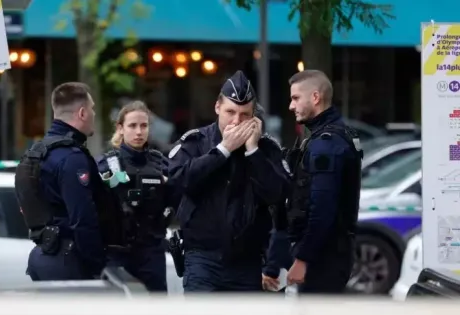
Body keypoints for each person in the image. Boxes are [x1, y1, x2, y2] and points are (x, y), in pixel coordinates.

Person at [168, 70, 290, 292]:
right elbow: (178, 182)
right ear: (217, 108)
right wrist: (223, 150)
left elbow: (277, 194)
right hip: (202, 259)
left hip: (247, 262)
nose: (236, 121)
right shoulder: (196, 142)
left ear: (254, 115)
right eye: (230, 112)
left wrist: (253, 151)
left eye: (245, 114)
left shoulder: (266, 148)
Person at [15, 82, 125, 281]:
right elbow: (83, 218)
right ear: (82, 113)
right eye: (92, 109)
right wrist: (97, 265)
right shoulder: (72, 157)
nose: (94, 113)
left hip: (43, 255)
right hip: (69, 260)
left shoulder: (36, 153)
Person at [284, 69, 363, 294]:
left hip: (324, 258)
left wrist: (303, 259)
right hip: (330, 253)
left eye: (296, 98)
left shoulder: (326, 145)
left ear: (316, 98)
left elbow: (322, 209)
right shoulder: (334, 136)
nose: (291, 106)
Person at [96, 100, 179, 292]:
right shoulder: (108, 163)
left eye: (144, 125)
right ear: (121, 128)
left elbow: (177, 199)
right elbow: (103, 197)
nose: (139, 132)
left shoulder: (161, 163)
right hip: (118, 253)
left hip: (152, 251)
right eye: (132, 126)